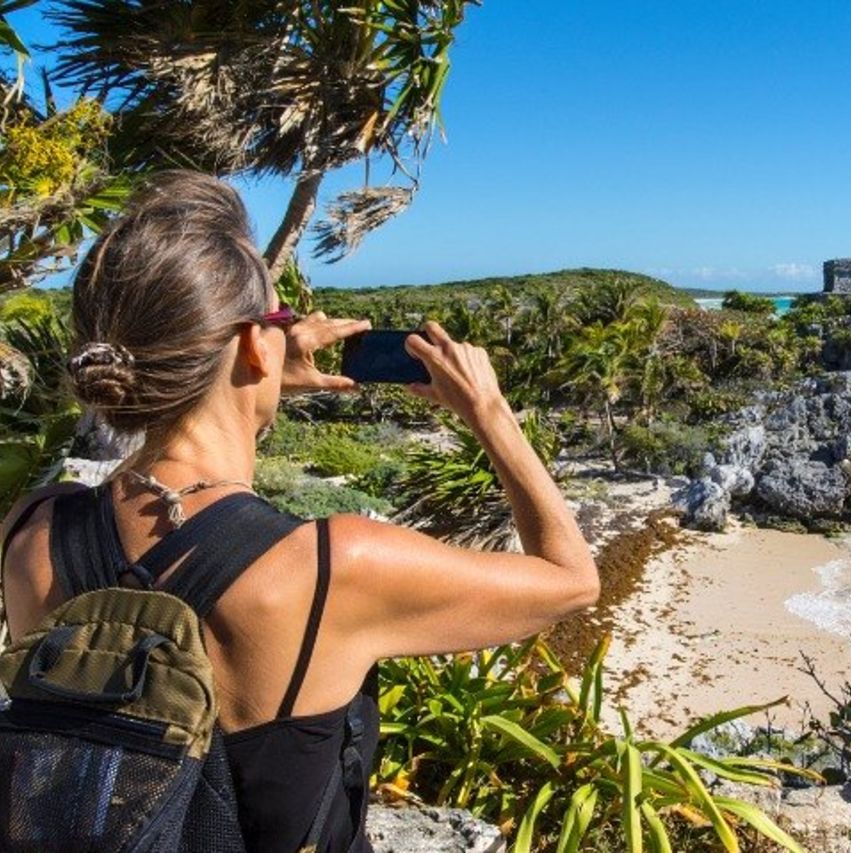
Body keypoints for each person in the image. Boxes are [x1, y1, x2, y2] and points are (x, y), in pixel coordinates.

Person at [0, 171, 598, 852]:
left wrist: (246, 375)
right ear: (255, 343)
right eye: (281, 321)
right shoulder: (328, 567)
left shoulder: (34, 530)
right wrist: (490, 412)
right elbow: (571, 578)